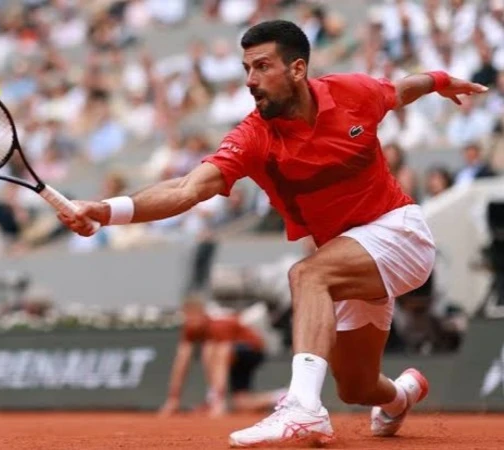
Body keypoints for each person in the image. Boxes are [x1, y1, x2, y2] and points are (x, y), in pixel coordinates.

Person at [57, 20, 488, 448]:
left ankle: (303, 408)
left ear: (297, 69)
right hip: (350, 257)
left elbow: (399, 90)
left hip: (400, 232)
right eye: (247, 68)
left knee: (307, 274)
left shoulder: (351, 92)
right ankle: (400, 395)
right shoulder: (254, 136)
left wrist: (440, 80)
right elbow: (187, 189)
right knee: (355, 386)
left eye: (262, 66)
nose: (250, 80)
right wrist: (106, 212)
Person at [158, 299, 286, 418]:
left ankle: (215, 399)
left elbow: (222, 356)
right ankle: (283, 396)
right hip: (234, 357)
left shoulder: (219, 325)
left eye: (195, 317)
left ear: (203, 314)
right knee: (241, 403)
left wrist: (218, 400)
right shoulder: (189, 329)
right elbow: (182, 361)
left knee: (210, 349)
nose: (192, 321)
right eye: (188, 318)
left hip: (251, 350)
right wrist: (173, 399)